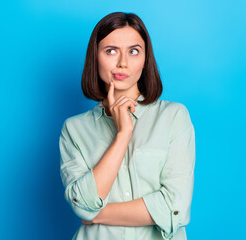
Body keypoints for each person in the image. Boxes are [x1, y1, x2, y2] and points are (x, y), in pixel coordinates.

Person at [58, 12, 196, 240]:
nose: (122, 62)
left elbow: (175, 208)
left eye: (133, 51)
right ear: (96, 57)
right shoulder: (74, 129)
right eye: (110, 51)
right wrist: (123, 134)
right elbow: (83, 204)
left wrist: (97, 215)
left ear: (145, 60)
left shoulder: (173, 116)